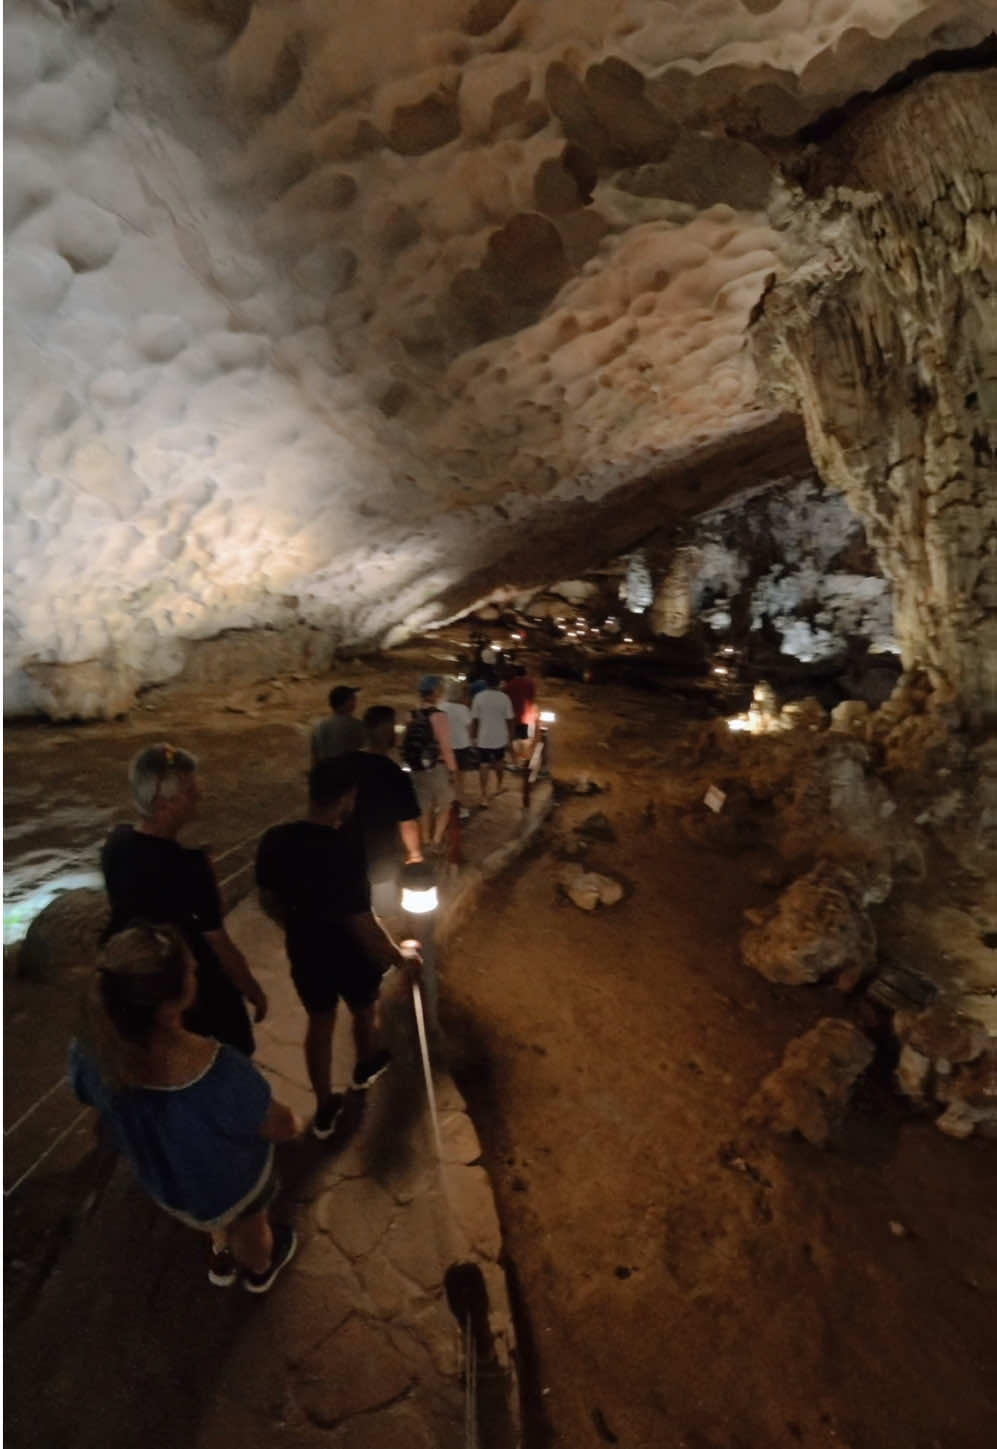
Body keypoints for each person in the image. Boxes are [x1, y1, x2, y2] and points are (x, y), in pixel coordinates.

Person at [69, 923, 300, 1292]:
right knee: (251, 1225)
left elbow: (86, 1094)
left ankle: (220, 1250)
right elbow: (279, 1125)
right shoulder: (219, 1071)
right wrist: (295, 1122)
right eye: (191, 970)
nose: (196, 972)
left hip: (168, 1183)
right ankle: (259, 1269)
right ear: (172, 1002)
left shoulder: (90, 1053)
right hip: (234, 1183)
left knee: (211, 1216)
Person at [255, 756, 418, 1140]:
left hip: (306, 950)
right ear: (347, 798)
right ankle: (365, 1066)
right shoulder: (344, 849)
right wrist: (399, 959)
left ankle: (326, 1104)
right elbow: (361, 922)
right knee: (364, 1011)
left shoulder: (276, 839)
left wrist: (293, 924)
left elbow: (266, 898)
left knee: (320, 1023)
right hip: (348, 954)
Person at [101, 743, 267, 1057]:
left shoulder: (116, 843)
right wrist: (252, 989)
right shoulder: (189, 866)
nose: (198, 796)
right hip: (187, 985)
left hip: (140, 979)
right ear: (164, 804)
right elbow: (217, 941)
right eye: (189, 791)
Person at [344, 705, 424, 924]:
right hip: (381, 859)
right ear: (387, 731)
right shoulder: (394, 774)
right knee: (381, 913)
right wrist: (415, 854)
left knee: (350, 912)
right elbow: (407, 822)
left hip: (344, 854)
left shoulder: (344, 765)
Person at [402, 676, 457, 851]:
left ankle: (424, 840)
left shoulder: (411, 715)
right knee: (445, 804)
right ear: (435, 693)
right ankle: (436, 840)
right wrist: (453, 770)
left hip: (417, 767)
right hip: (437, 767)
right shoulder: (439, 716)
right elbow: (445, 746)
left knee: (424, 805)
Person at [469, 667, 514, 805]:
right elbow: (510, 719)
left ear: (486, 683)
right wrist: (510, 738)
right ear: (498, 683)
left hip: (484, 736)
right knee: (500, 762)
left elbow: (475, 719)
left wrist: (473, 737)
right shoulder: (504, 698)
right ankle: (499, 786)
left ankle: (483, 795)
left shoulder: (479, 697)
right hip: (500, 736)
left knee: (484, 765)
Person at [440, 680, 475, 819]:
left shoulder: (440, 707)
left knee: (445, 778)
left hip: (444, 747)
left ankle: (443, 807)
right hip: (461, 748)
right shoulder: (463, 709)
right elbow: (470, 728)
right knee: (459, 780)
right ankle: (460, 807)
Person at [311, 684, 365, 763]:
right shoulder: (356, 725)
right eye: (352, 699)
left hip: (324, 772)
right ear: (345, 703)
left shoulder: (318, 726)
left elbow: (314, 756)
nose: (355, 701)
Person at [503, 664, 536, 767]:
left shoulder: (510, 684)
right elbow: (533, 697)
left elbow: (505, 696)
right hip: (526, 715)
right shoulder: (530, 683)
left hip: (513, 715)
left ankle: (515, 761)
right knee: (524, 737)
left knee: (513, 738)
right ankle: (524, 759)